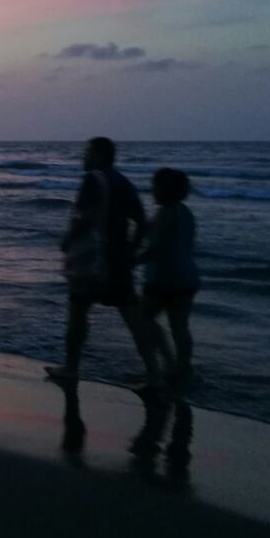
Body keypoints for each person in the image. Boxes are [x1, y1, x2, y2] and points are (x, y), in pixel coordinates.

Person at [47, 137, 161, 386]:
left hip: (92, 261)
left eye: (87, 152)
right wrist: (130, 250)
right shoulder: (123, 182)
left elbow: (85, 216)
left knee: (78, 312)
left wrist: (68, 239)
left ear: (99, 154)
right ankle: (154, 373)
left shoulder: (92, 179)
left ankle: (71, 367)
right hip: (118, 261)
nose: (83, 157)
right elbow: (142, 221)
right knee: (133, 318)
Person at [137, 168, 200, 384]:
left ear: (165, 189)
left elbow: (157, 248)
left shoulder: (166, 213)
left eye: (155, 186)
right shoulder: (183, 211)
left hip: (165, 278)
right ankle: (183, 368)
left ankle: (163, 365)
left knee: (143, 318)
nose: (151, 189)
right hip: (187, 276)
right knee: (180, 326)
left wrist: (131, 261)